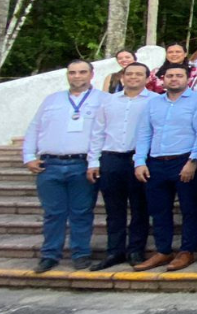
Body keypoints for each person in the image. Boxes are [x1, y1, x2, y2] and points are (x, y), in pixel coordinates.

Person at [24, 60, 106, 273]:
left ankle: (80, 254)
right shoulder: (52, 100)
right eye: (72, 73)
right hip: (49, 164)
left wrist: (95, 162)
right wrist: (28, 156)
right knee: (53, 213)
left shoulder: (103, 100)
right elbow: (34, 127)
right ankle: (50, 255)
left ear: (91, 74)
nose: (77, 76)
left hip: (82, 164)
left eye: (82, 72)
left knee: (81, 212)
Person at [133, 64, 197, 272]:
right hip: (156, 161)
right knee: (158, 210)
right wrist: (140, 161)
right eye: (170, 76)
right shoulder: (153, 103)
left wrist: (193, 160)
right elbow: (144, 133)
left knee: (190, 208)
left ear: (188, 79)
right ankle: (163, 250)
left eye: (179, 76)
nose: (174, 79)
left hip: (185, 160)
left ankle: (187, 250)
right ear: (163, 79)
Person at [87, 61, 154, 270]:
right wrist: (93, 161)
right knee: (114, 209)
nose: (133, 77)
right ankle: (114, 251)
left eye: (138, 74)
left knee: (139, 208)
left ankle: (136, 250)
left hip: (140, 160)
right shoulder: (108, 102)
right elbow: (97, 132)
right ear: (122, 77)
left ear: (147, 78)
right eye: (129, 74)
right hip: (111, 158)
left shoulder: (155, 101)